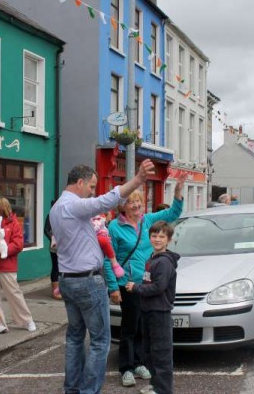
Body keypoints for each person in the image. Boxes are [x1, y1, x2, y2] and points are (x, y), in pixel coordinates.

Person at [49, 159, 155, 394]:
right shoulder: (73, 205)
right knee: (100, 341)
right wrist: (137, 180)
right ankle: (88, 391)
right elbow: (107, 200)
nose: (92, 192)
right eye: (90, 186)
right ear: (79, 182)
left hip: (68, 279)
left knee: (76, 337)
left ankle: (73, 389)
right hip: (87, 281)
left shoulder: (56, 208)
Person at [105, 174, 184, 388]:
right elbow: (108, 258)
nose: (137, 205)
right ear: (123, 206)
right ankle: (126, 368)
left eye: (139, 201)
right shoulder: (114, 227)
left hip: (147, 286)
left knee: (143, 327)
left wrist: (177, 194)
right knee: (129, 328)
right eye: (131, 201)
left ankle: (139, 363)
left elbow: (173, 213)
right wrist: (113, 286)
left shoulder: (147, 221)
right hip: (128, 285)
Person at [126, 221, 179, 394]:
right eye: (154, 236)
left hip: (159, 312)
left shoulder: (163, 262)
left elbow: (158, 287)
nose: (157, 239)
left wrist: (136, 288)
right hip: (148, 311)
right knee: (150, 351)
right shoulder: (152, 258)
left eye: (162, 236)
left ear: (169, 240)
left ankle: (163, 390)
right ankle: (156, 386)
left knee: (161, 353)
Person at [0, 197, 36, 334]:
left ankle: (26, 320)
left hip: (7, 265)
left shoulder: (13, 223)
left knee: (14, 293)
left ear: (1, 207)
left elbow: (18, 244)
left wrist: (3, 250)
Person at [44, 200, 62, 300]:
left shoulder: (64, 215)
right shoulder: (50, 216)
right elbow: (46, 230)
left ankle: (62, 289)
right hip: (55, 246)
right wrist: (52, 239)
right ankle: (55, 291)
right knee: (56, 266)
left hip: (65, 245)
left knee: (63, 267)